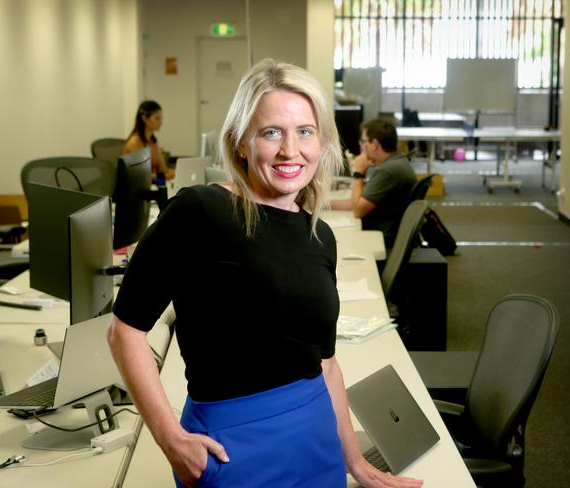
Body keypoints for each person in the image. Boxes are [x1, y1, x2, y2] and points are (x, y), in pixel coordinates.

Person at [107, 59, 422, 488]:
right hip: (231, 449)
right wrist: (170, 439)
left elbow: (326, 365)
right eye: (271, 132)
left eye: (305, 132)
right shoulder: (201, 211)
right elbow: (124, 331)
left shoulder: (320, 237)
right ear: (240, 142)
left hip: (316, 443)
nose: (290, 150)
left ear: (322, 141)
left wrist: (356, 462)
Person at [331, 118, 417, 248]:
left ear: (375, 144)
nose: (361, 146)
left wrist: (358, 173)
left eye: (364, 141)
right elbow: (358, 202)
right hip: (384, 232)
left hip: (381, 238)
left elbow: (358, 210)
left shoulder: (389, 171)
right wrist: (324, 204)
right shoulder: (396, 162)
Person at [124, 100, 175, 181]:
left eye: (161, 118)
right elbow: (144, 177)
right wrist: (170, 175)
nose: (161, 122)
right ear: (144, 118)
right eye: (157, 118)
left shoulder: (153, 141)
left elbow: (163, 170)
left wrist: (175, 173)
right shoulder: (134, 142)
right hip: (136, 190)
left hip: (151, 186)